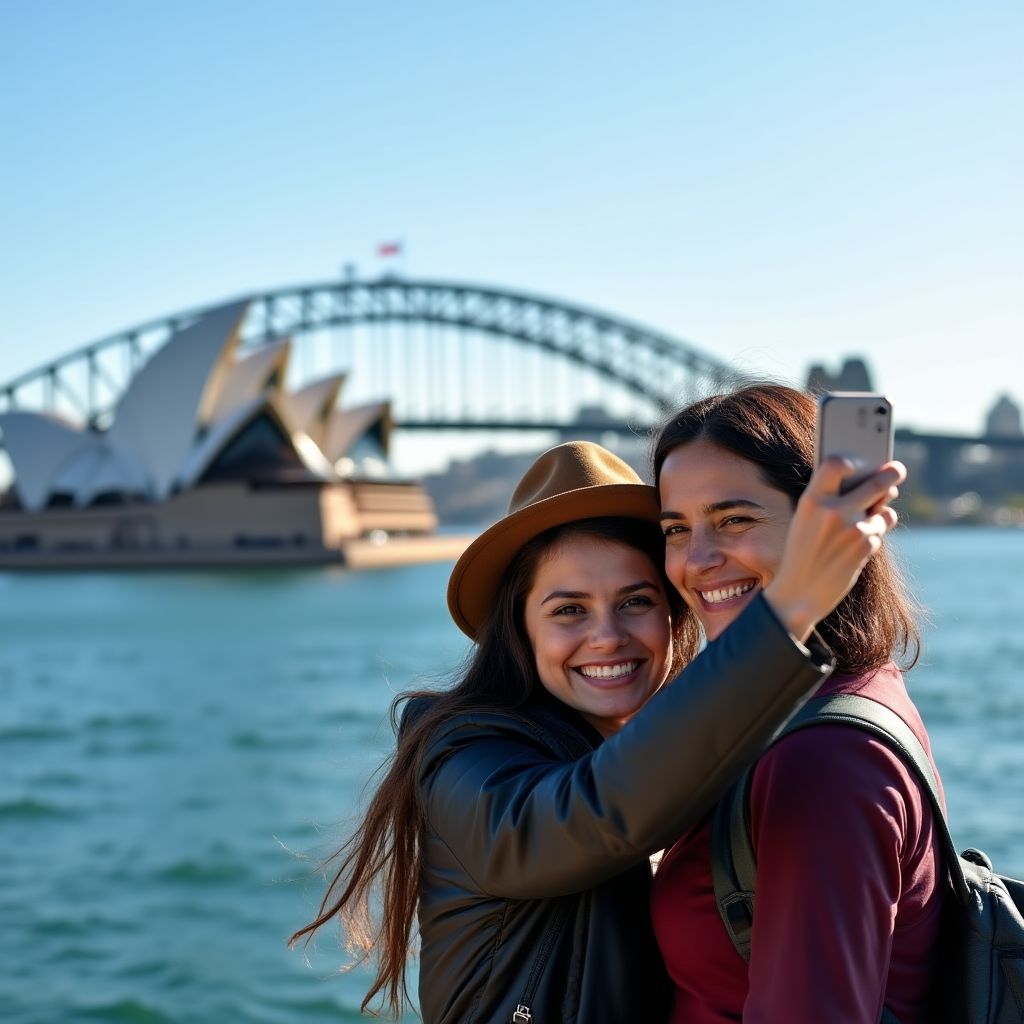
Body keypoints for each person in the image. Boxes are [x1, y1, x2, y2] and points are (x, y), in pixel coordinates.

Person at [291, 438, 905, 1023]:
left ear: (674, 616)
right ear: (520, 630)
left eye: (636, 601)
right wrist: (790, 605)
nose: (607, 636)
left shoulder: (690, 752)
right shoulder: (461, 756)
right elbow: (591, 813)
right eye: (568, 610)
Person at [650, 383, 944, 1024]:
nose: (698, 560)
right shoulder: (845, 690)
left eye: (735, 520)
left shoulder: (823, 757)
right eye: (676, 529)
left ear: (826, 528)